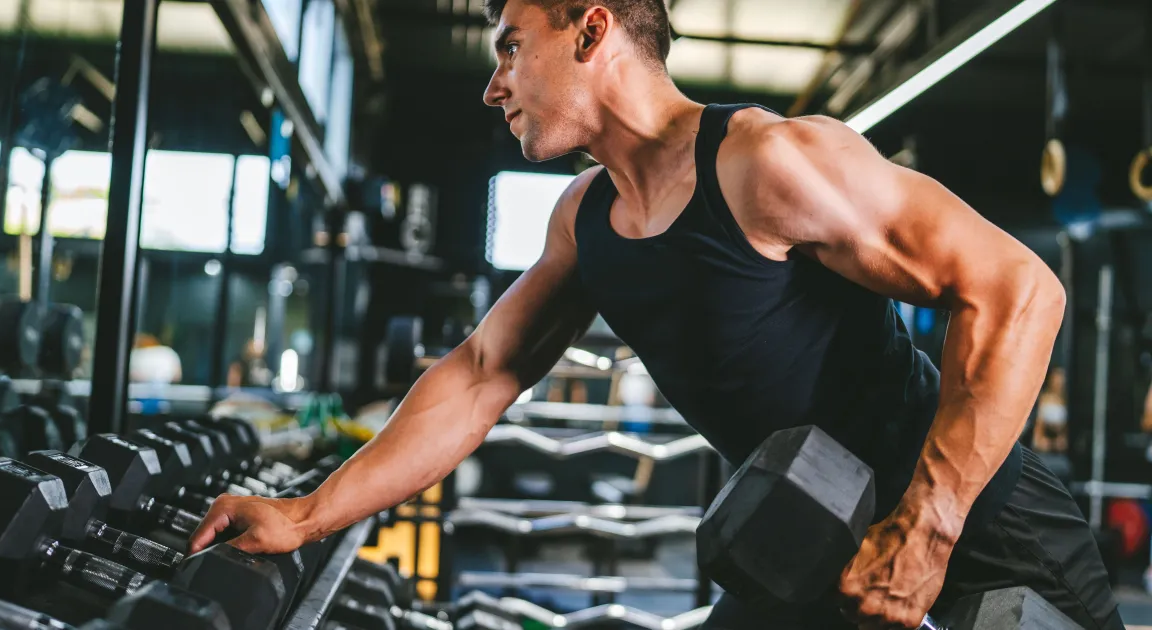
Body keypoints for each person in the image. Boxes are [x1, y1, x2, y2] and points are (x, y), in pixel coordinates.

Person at [189, 1, 1120, 628]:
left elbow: (1020, 290)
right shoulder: (586, 220)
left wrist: (926, 529)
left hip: (980, 523)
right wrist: (305, 514)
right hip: (809, 540)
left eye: (510, 45)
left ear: (592, 30)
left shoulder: (768, 164)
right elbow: (480, 377)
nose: (493, 84)